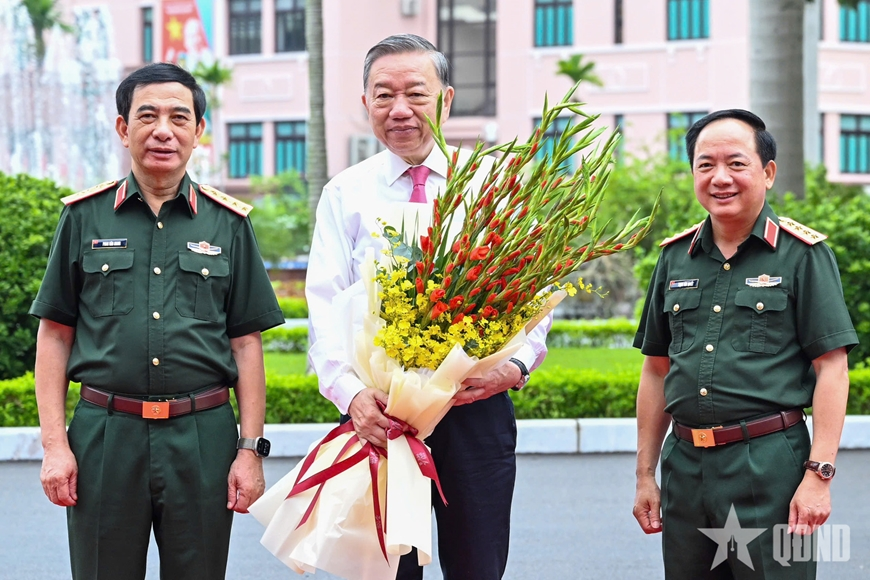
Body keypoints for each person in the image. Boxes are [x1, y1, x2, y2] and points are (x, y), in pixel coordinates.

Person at [305, 34, 551, 580]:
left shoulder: (495, 186)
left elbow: (532, 293)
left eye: (415, 94)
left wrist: (513, 367)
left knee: (478, 564)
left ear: (446, 99)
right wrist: (351, 397)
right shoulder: (345, 194)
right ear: (365, 102)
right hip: (383, 413)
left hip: (473, 406)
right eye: (383, 95)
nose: (400, 110)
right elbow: (323, 304)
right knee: (392, 570)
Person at [30, 62, 285, 579]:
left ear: (199, 132)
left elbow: (246, 344)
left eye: (179, 117)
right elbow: (55, 334)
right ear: (124, 128)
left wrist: (249, 451)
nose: (163, 130)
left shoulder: (229, 224)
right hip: (105, 435)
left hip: (202, 437)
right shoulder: (83, 217)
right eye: (147, 116)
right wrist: (56, 446)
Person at [631, 109, 857, 578]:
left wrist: (819, 476)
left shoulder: (803, 256)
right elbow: (656, 370)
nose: (720, 178)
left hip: (770, 465)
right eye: (705, 165)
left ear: (767, 173)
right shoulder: (675, 259)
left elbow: (831, 367)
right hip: (686, 465)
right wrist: (645, 475)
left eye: (736, 164)